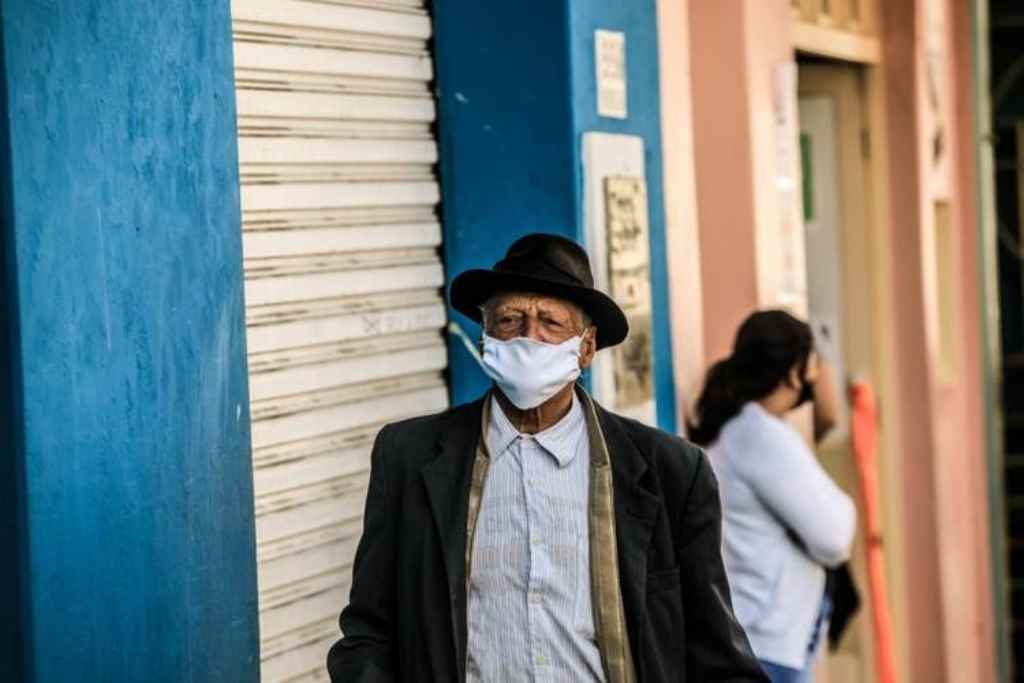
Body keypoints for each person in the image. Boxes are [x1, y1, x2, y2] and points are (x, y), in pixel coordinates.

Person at [327, 233, 768, 682]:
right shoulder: (409, 459)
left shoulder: (670, 472)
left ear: (587, 347)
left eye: (550, 324)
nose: (528, 338)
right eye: (510, 320)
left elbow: (717, 653)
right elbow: (369, 632)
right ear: (485, 339)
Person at [687, 310, 857, 683]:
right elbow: (835, 538)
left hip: (760, 637)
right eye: (812, 363)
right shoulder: (760, 435)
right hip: (768, 646)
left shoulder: (740, 429)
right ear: (795, 371)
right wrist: (844, 507)